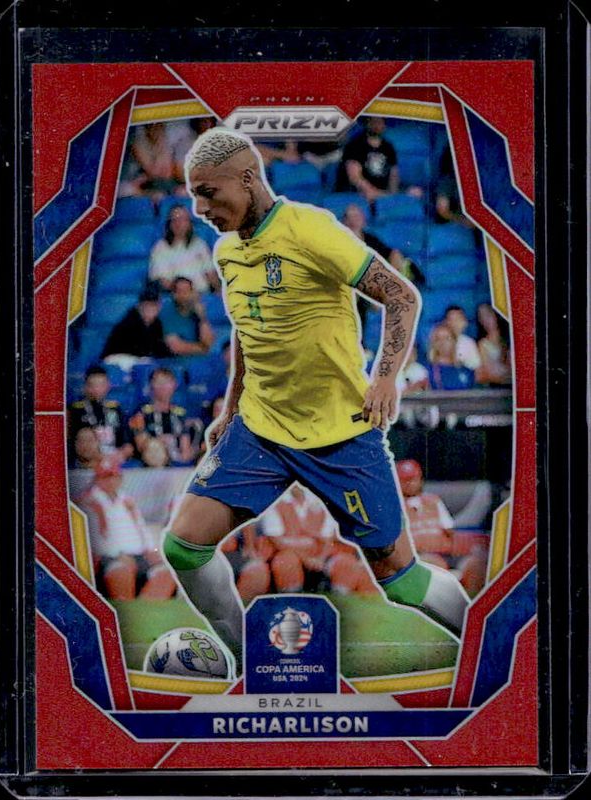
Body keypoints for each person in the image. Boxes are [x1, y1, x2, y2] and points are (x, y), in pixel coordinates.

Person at [161, 128, 469, 671]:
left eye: (208, 192)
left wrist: (386, 378)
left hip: (341, 434)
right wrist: (231, 410)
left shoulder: (310, 229)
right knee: (182, 546)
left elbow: (401, 296)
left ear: (247, 179)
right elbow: (250, 332)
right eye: (194, 195)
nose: (200, 208)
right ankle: (244, 658)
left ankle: (496, 646)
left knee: (402, 581)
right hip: (261, 430)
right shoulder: (227, 251)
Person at [78, 457, 175, 600]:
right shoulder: (88, 502)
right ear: (97, 479)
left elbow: (141, 528)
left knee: (168, 572)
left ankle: (144, 606)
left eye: (114, 476)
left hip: (138, 556)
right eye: (105, 477)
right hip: (110, 558)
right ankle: (125, 603)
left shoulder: (126, 501)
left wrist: (151, 550)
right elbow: (91, 538)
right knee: (121, 570)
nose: (111, 481)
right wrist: (118, 555)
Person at [129, 367, 200, 467]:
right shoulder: (141, 413)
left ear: (174, 385)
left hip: (176, 465)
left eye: (167, 382)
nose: (163, 387)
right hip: (151, 464)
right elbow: (141, 445)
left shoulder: (180, 414)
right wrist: (159, 441)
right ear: (151, 385)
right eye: (159, 382)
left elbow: (185, 449)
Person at [68, 365, 133, 461]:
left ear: (108, 386)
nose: (96, 389)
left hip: (113, 457)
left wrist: (121, 454)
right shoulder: (75, 410)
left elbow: (127, 443)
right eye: (92, 385)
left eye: (101, 385)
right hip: (87, 461)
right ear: (85, 387)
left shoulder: (115, 409)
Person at [396, 459, 455, 561]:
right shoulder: (395, 506)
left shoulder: (433, 501)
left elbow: (449, 531)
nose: (410, 484)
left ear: (420, 479)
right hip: (414, 559)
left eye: (413, 479)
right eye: (405, 480)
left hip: (441, 556)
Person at [149, 205, 214, 293]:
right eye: (174, 220)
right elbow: (162, 280)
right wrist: (185, 291)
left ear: (189, 223)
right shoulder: (160, 247)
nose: (178, 223)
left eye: (183, 219)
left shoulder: (200, 244)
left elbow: (210, 273)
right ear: (169, 224)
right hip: (177, 294)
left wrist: (219, 291)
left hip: (203, 294)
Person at [101, 282, 170, 361]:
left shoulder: (157, 324)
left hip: (138, 360)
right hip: (117, 358)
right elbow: (134, 349)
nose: (150, 310)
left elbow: (159, 349)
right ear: (139, 306)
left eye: (153, 306)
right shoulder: (128, 323)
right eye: (146, 306)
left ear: (159, 307)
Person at [336, 116, 399, 200]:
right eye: (373, 122)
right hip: (356, 194)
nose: (376, 125)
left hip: (381, 195)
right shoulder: (354, 145)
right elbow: (355, 177)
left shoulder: (388, 147)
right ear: (366, 124)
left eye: (380, 122)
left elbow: (393, 174)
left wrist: (393, 196)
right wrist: (374, 192)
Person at [160, 276, 214, 358]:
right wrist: (203, 349)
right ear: (174, 294)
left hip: (198, 359)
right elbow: (176, 347)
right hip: (173, 360)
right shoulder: (166, 312)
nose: (185, 296)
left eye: (188, 291)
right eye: (181, 291)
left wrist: (202, 318)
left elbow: (208, 342)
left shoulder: (197, 311)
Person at [427, 324, 476, 390]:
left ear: (454, 341)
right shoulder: (428, 371)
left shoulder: (466, 371)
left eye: (447, 338)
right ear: (434, 343)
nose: (443, 342)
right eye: (438, 339)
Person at [475, 303, 511, 386]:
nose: (485, 320)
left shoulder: (509, 338)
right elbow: (488, 371)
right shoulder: (482, 344)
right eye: (481, 317)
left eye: (488, 315)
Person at [444, 305, 482, 370]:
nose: (454, 323)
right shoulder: (439, 341)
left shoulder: (469, 343)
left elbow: (476, 367)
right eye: (451, 320)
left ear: (465, 322)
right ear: (445, 322)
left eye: (458, 319)